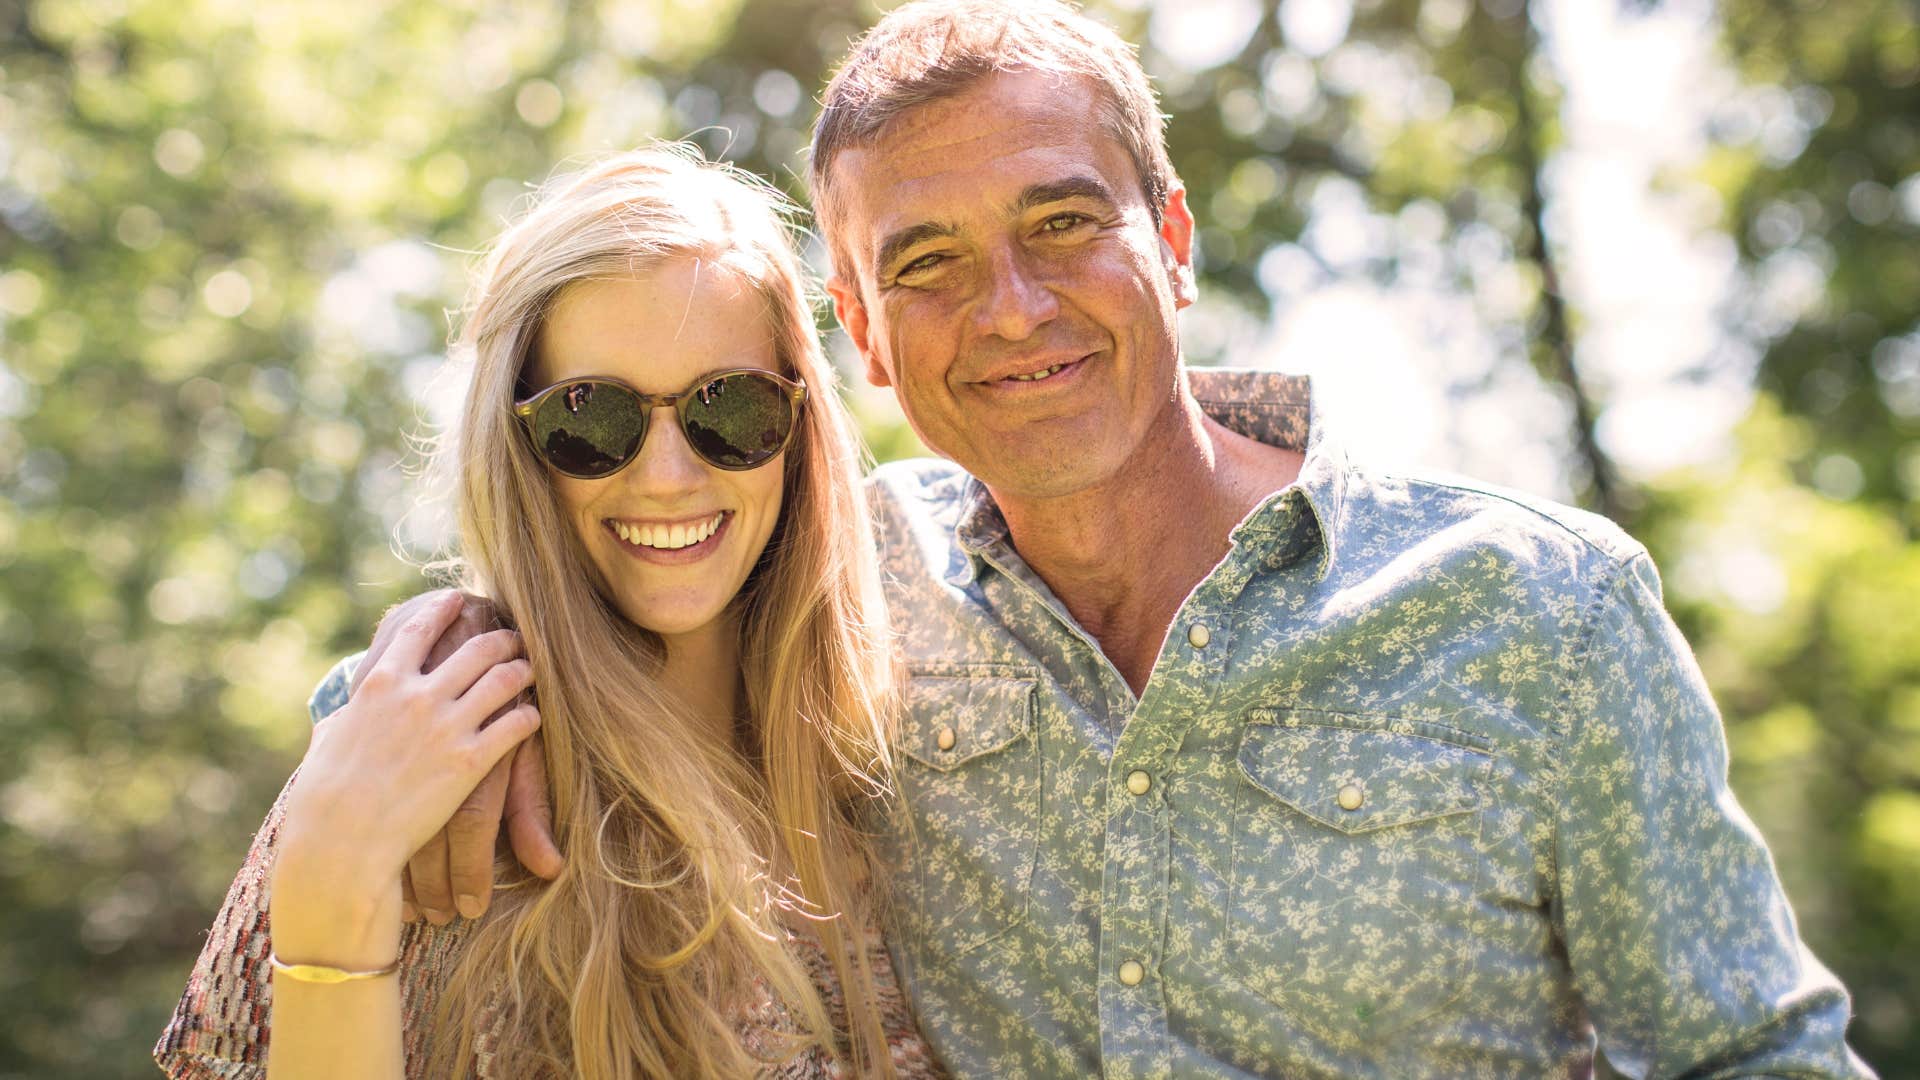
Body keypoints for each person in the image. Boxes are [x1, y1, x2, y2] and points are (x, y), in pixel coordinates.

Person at [319, 1, 1877, 1076]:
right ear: (860, 330)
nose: (1010, 310)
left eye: (1062, 225)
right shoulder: (842, 594)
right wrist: (459, 673)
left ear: (1173, 240)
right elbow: (602, 586)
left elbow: (1755, 1054)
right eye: (926, 263)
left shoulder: (1536, 607)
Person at [153, 147, 942, 1078]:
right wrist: (334, 873)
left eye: (730, 407)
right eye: (591, 416)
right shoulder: (420, 775)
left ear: (799, 425)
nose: (668, 476)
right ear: (517, 443)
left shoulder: (917, 739)